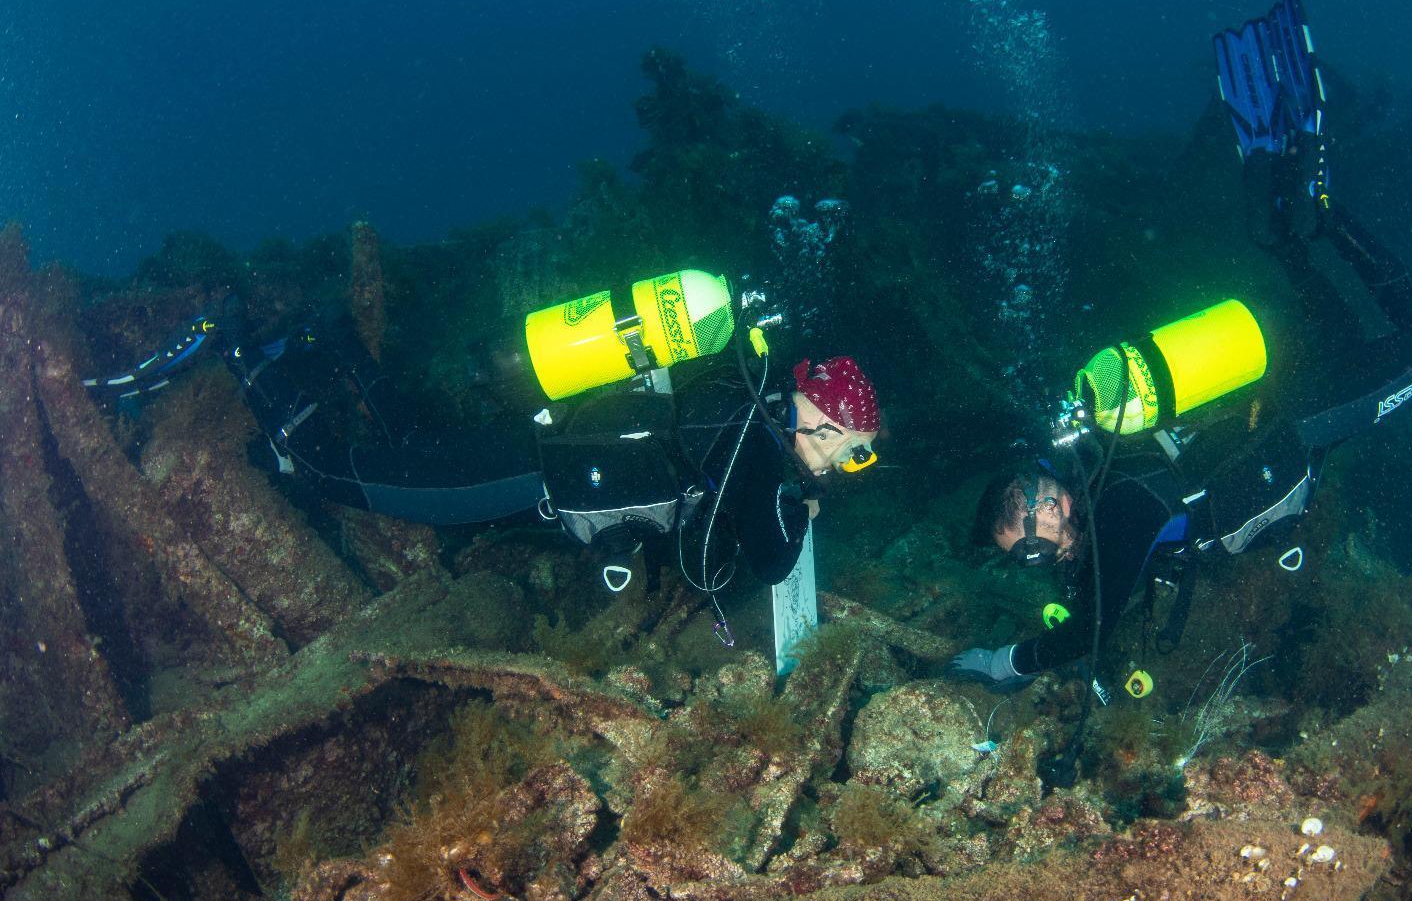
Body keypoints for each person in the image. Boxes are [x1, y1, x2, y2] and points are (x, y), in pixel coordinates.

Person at [950, 0, 1412, 782]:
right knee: (1353, 338)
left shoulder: (1115, 506)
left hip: (1299, 429)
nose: (1041, 560)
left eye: (1032, 546)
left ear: (1049, 501)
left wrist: (1004, 662)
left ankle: (1323, 211)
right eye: (1031, 558)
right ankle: (1292, 230)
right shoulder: (1107, 474)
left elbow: (1095, 629)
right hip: (1279, 411)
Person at [85, 269, 881, 602]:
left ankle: (331, 342)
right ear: (824, 415)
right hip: (533, 477)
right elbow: (750, 564)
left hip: (542, 453)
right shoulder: (754, 434)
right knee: (338, 475)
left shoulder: (738, 388)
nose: (845, 467)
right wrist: (802, 510)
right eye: (852, 450)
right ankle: (231, 348)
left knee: (419, 448)